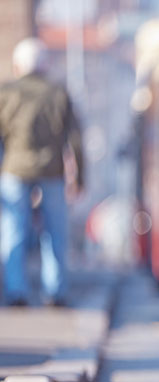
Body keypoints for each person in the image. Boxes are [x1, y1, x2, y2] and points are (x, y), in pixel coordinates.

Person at [0, 38, 83, 307]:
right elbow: (75, 139)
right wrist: (80, 177)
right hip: (52, 171)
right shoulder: (58, 93)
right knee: (55, 232)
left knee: (14, 231)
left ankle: (16, 291)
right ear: (44, 64)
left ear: (18, 65)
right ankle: (55, 291)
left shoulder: (7, 92)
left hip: (14, 169)